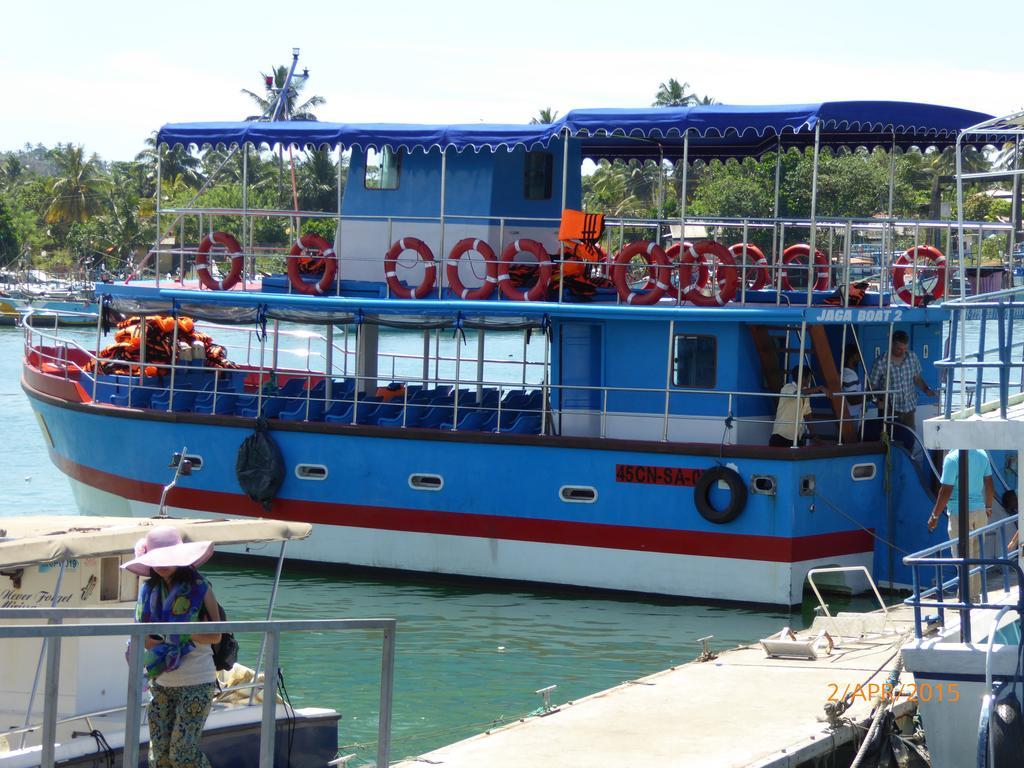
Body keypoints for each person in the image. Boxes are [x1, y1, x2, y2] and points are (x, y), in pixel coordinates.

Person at [122, 526, 221, 768]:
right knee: (160, 758)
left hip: (197, 680)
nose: (162, 565)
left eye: (168, 559)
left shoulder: (201, 588)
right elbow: (142, 635)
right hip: (161, 681)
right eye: (156, 560)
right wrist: (162, 636)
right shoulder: (149, 591)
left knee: (182, 754)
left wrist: (173, 632)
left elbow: (216, 635)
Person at [927, 449, 995, 600]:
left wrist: (935, 516)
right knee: (976, 557)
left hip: (960, 513)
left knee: (961, 557)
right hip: (980, 512)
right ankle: (973, 596)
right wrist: (988, 507)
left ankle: (965, 598)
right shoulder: (982, 454)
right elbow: (989, 484)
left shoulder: (952, 459)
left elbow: (945, 490)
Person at [869, 330, 934, 449]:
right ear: (892, 345)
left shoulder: (912, 357)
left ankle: (908, 461)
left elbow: (917, 378)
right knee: (890, 441)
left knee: (910, 439)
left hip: (909, 408)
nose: (903, 352)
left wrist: (926, 389)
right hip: (890, 410)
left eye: (905, 349)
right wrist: (877, 402)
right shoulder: (880, 362)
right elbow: (870, 388)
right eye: (899, 349)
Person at [769, 366, 829, 447]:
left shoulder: (805, 393)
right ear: (803, 378)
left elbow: (807, 414)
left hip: (797, 437)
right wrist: (820, 388)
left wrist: (814, 436)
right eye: (809, 377)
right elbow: (797, 394)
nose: (809, 380)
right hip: (781, 435)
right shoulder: (787, 387)